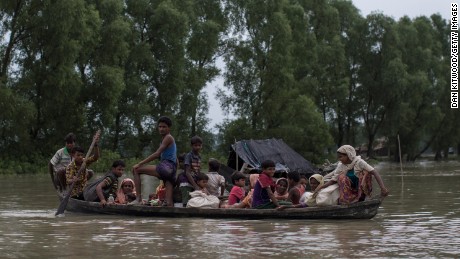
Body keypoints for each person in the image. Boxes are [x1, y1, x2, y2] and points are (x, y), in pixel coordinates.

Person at [315, 145, 390, 204]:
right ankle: (347, 200)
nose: (339, 159)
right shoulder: (341, 166)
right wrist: (320, 187)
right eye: (338, 157)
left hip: (361, 189)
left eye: (341, 157)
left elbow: (374, 172)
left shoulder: (359, 162)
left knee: (365, 173)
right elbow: (333, 180)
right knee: (341, 177)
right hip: (350, 191)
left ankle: (363, 197)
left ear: (348, 155)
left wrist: (382, 188)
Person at [132, 116, 177, 207]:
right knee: (168, 203)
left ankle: (138, 199)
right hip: (171, 169)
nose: (161, 129)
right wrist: (174, 174)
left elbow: (157, 154)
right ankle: (170, 213)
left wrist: (140, 163)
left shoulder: (168, 138)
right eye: (160, 127)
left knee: (136, 170)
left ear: (169, 128)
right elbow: (175, 159)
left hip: (166, 167)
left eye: (164, 127)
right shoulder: (169, 139)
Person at [65, 132, 100, 200]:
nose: (80, 157)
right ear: (73, 155)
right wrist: (73, 180)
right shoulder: (70, 167)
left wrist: (95, 145)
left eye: (81, 155)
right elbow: (68, 181)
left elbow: (96, 157)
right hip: (75, 193)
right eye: (78, 155)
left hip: (85, 190)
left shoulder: (84, 161)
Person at [177, 136, 203, 207]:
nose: (197, 147)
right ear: (191, 146)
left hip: (194, 180)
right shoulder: (189, 156)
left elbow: (198, 171)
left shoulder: (199, 156)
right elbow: (187, 172)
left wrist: (199, 183)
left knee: (193, 200)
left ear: (201, 146)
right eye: (195, 145)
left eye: (199, 145)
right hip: (186, 181)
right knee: (186, 201)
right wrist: (195, 185)